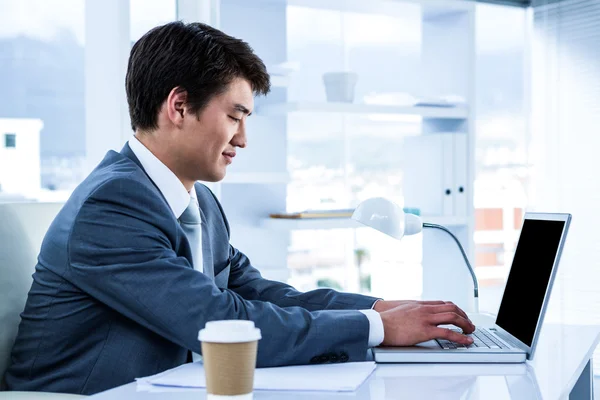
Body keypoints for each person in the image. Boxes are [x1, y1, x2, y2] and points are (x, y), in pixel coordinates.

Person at [5, 22, 475, 395]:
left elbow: (263, 294)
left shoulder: (200, 202)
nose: (243, 140)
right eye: (235, 116)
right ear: (180, 105)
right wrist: (376, 328)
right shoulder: (111, 206)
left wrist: (380, 307)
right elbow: (220, 320)